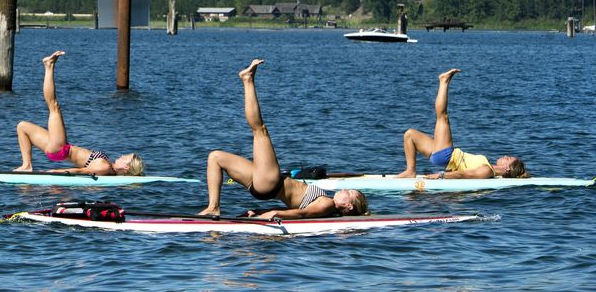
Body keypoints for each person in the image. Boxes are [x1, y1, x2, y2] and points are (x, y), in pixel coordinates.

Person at [198, 59, 368, 219]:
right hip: (266, 184)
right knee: (215, 157)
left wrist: (274, 215)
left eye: (350, 192)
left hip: (271, 182)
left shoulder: (328, 204)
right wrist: (261, 211)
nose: (345, 189)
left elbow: (302, 215)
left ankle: (248, 80)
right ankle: (213, 206)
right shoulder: (326, 203)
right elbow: (297, 209)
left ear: (349, 206)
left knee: (260, 130)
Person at [13, 51, 145, 176]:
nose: (121, 156)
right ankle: (26, 165)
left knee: (54, 106)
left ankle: (49, 66)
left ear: (127, 167)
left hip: (61, 149)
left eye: (124, 158)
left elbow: (81, 171)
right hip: (60, 148)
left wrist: (56, 172)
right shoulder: (108, 167)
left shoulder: (105, 167)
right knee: (22, 126)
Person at [395, 68, 527, 179]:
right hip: (445, 157)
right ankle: (410, 171)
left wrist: (440, 176)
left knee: (443, 117)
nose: (505, 156)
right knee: (410, 135)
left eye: (508, 158)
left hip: (447, 156)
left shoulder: (487, 171)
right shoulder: (489, 167)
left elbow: (464, 174)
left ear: (507, 168)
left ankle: (444, 81)